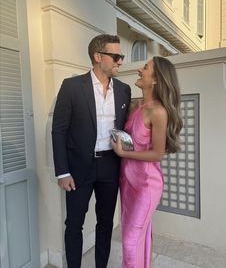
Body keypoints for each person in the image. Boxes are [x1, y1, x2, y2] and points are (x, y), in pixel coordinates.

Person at [51, 34, 131, 268]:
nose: (120, 62)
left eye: (121, 56)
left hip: (110, 165)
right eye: (116, 56)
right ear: (98, 57)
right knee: (74, 224)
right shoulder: (72, 86)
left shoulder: (124, 90)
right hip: (78, 168)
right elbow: (59, 130)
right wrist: (62, 172)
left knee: (106, 223)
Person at [112, 56, 183, 268]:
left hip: (146, 186)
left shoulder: (158, 112)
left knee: (130, 242)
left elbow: (157, 154)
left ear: (156, 80)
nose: (139, 70)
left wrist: (123, 154)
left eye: (145, 67)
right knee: (137, 237)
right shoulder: (135, 106)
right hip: (127, 183)